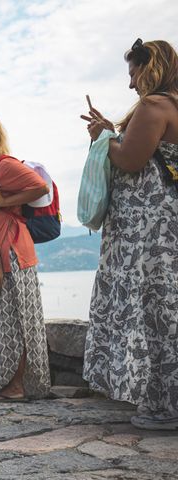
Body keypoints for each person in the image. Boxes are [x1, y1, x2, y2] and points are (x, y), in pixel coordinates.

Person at [81, 39, 178, 430]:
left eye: (133, 73)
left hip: (148, 229)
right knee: (167, 304)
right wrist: (113, 130)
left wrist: (104, 139)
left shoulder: (156, 106)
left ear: (149, 67)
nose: (131, 84)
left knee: (155, 310)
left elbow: (131, 159)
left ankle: (164, 406)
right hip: (167, 223)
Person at [0, 113, 51, 402]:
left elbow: (41, 187)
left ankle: (16, 386)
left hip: (14, 254)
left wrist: (5, 201)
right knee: (8, 323)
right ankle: (25, 385)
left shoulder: (4, 165)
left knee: (19, 322)